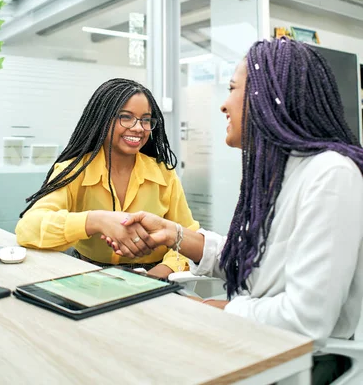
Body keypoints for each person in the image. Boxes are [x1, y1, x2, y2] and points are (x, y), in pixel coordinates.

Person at [104, 39, 363, 385]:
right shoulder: (278, 173)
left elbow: (306, 320)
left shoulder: (332, 175)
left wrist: (212, 311)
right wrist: (175, 235)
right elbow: (256, 266)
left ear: (270, 96)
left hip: (301, 364)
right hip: (260, 342)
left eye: (231, 89)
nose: (224, 105)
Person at [16, 78, 198, 279]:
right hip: (87, 278)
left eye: (146, 119)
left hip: (155, 278)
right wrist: (96, 220)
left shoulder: (164, 174)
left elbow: (189, 237)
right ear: (102, 119)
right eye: (125, 117)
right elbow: (29, 228)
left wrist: (156, 277)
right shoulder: (73, 170)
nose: (138, 127)